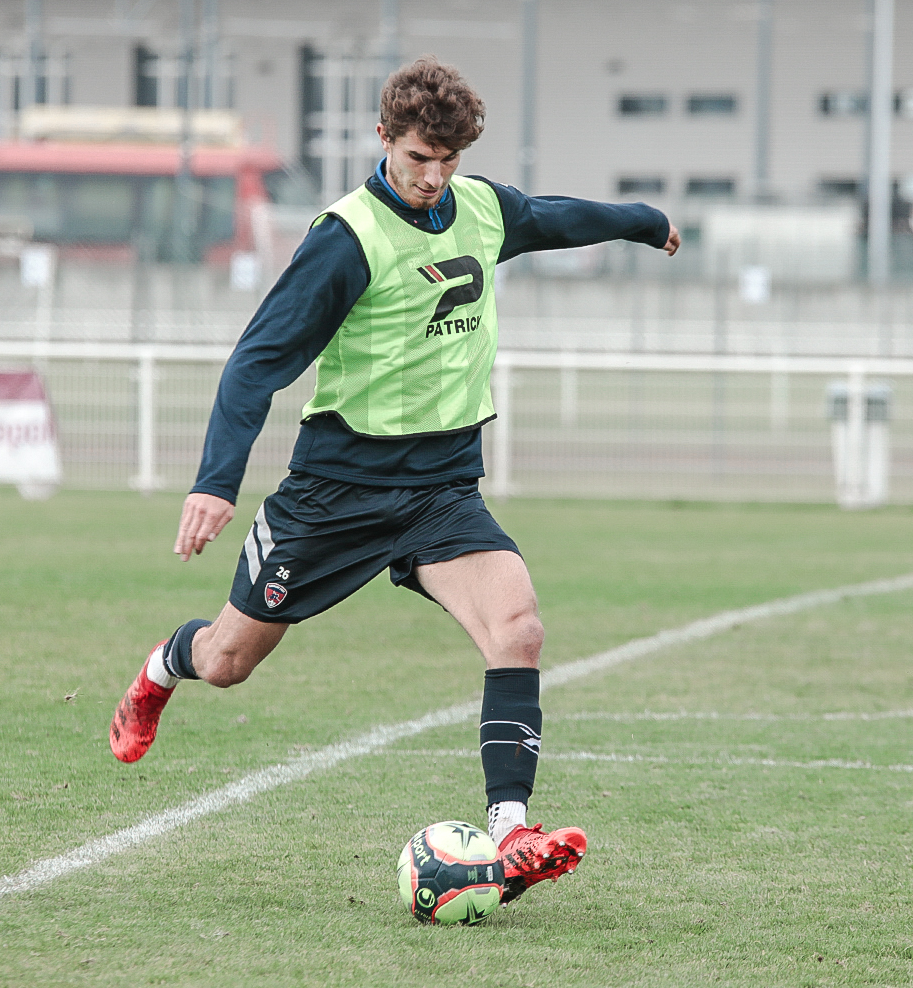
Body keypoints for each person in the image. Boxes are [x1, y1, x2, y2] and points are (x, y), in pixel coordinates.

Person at [108, 57, 679, 904]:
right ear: (383, 139)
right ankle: (162, 668)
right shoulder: (346, 240)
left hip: (443, 486)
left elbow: (558, 217)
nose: (434, 177)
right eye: (419, 158)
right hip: (336, 490)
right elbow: (256, 363)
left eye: (448, 159)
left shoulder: (480, 207)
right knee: (229, 661)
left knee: (517, 629)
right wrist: (216, 481)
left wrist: (644, 221)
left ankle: (511, 832)